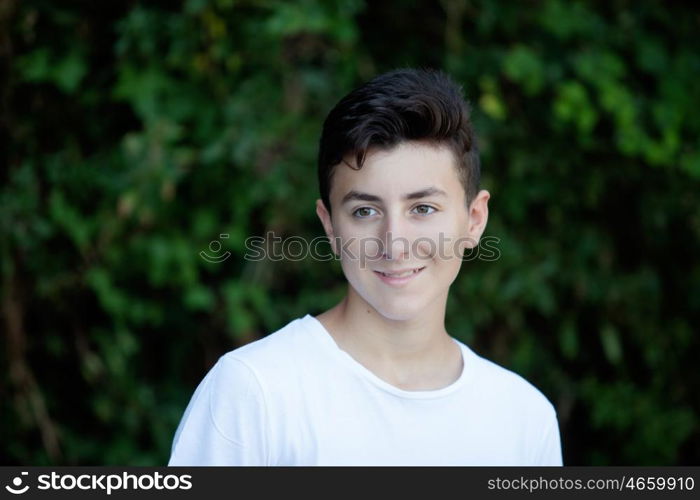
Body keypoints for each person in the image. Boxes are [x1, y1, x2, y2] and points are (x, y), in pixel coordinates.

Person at [168, 68, 563, 466]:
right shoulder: (255, 391)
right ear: (330, 225)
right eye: (365, 211)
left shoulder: (525, 419)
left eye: (422, 208)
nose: (394, 243)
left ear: (475, 219)